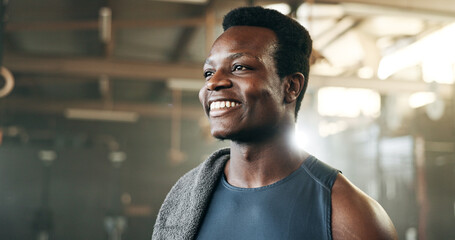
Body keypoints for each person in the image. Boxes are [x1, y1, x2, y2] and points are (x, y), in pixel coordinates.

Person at [152, 6, 397, 240]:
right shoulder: (185, 198)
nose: (213, 83)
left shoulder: (350, 214)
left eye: (239, 67)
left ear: (290, 87)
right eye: (208, 72)